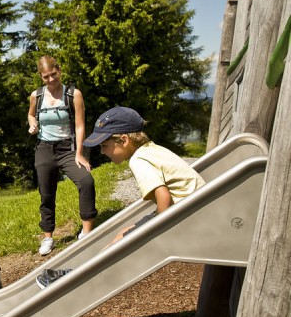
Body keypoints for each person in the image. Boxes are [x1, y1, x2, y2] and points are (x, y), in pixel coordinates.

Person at [36, 106, 206, 289]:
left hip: (184, 218)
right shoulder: (152, 149)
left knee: (122, 244)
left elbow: (163, 196)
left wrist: (159, 231)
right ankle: (80, 272)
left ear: (124, 140)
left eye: (104, 146)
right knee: (122, 234)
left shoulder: (139, 160)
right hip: (191, 209)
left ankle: (79, 279)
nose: (102, 152)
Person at [27, 55, 97, 256]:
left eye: (53, 74)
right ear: (41, 77)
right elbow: (31, 114)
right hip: (44, 148)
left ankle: (86, 232)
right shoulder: (36, 96)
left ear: (59, 70)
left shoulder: (73, 94)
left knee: (86, 181)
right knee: (46, 193)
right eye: (46, 77)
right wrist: (32, 123)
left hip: (68, 148)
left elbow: (80, 125)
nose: (51, 79)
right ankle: (48, 237)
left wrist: (79, 153)